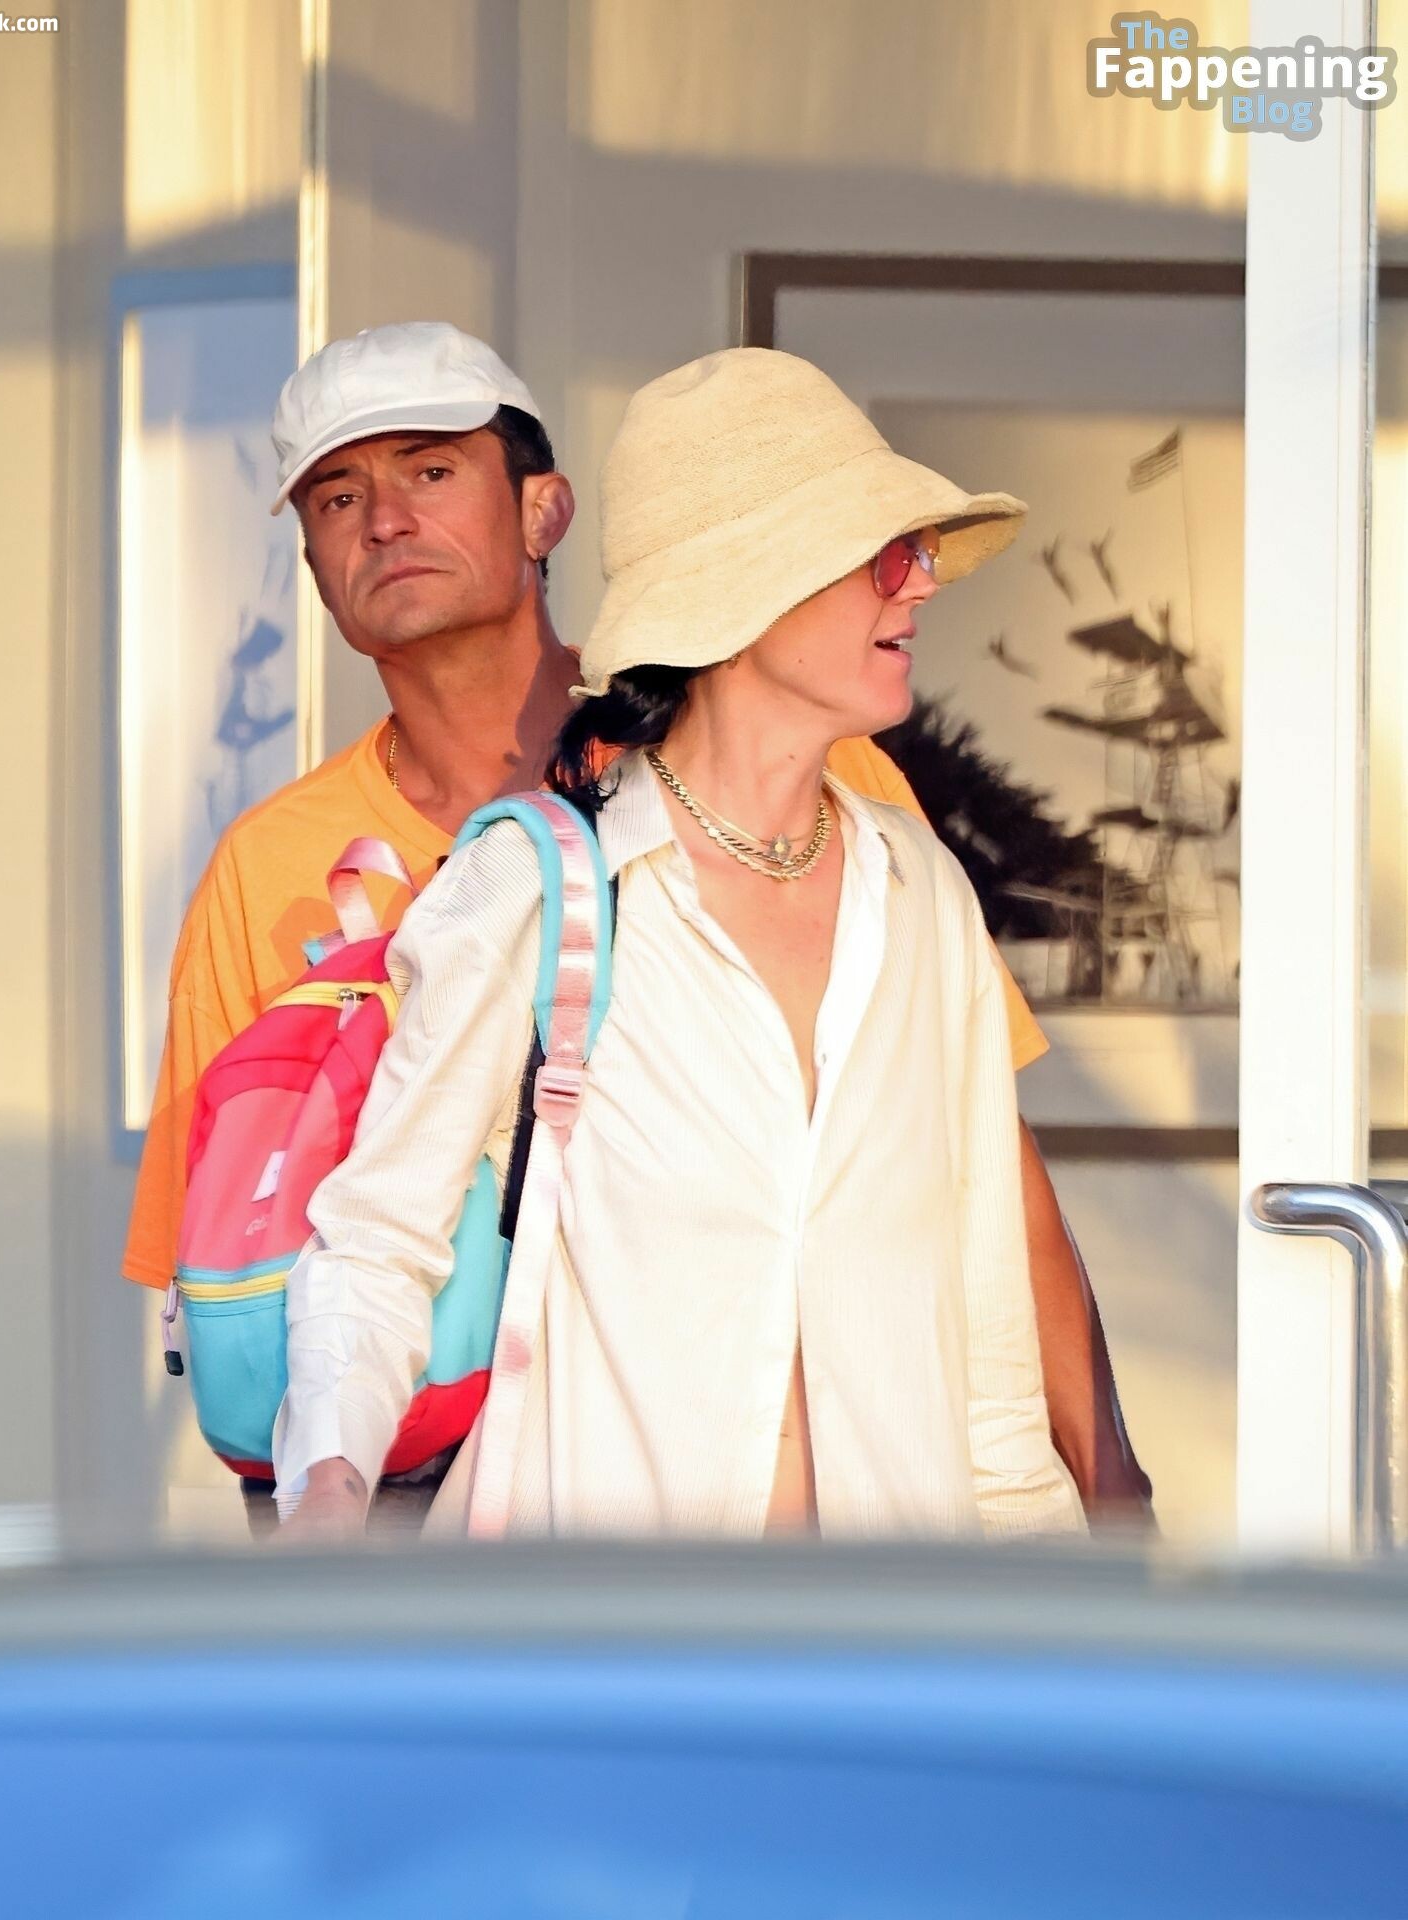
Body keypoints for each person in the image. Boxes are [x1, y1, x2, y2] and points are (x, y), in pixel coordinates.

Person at [121, 321, 1149, 1521]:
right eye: (338, 497)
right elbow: (286, 1266)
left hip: (883, 1587)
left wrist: (1096, 1512)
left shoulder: (896, 860)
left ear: (542, 512)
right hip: (513, 1544)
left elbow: (979, 1232)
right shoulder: (393, 871)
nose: (386, 522)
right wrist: (319, 1508)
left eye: (431, 470)